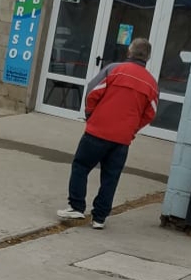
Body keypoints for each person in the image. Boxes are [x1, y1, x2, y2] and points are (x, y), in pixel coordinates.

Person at [57, 38, 159, 229]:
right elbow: (150, 113)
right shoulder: (151, 83)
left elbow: (92, 92)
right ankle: (99, 218)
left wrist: (90, 115)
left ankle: (76, 206)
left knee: (81, 166)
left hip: (98, 131)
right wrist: (132, 128)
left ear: (130, 51)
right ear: (148, 57)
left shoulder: (114, 69)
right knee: (111, 177)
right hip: (122, 139)